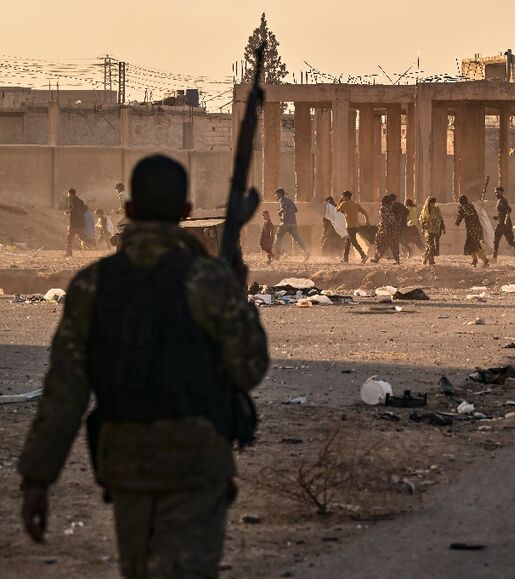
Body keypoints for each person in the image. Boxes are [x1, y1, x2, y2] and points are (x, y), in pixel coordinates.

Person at [18, 155, 269, 577]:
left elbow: (65, 392)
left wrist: (37, 480)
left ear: (129, 211)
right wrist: (237, 293)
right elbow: (249, 368)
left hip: (128, 464)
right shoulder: (208, 280)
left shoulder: (93, 284)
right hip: (195, 462)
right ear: (186, 213)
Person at [273, 188, 309, 262]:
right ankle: (305, 253)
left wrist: (279, 212)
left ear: (280, 194)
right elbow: (295, 210)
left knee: (278, 238)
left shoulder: (282, 200)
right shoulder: (290, 201)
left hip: (285, 223)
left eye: (276, 194)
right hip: (293, 223)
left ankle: (277, 256)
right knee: (298, 239)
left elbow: (284, 208)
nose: (276, 196)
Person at [456, 195, 490, 267]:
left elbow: (461, 216)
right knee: (471, 244)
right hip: (476, 228)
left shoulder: (464, 207)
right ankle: (474, 260)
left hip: (472, 229)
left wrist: (457, 222)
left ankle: (485, 260)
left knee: (476, 245)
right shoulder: (472, 206)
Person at [492, 187, 515, 263]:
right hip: (506, 224)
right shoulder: (500, 200)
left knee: (496, 241)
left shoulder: (502, 200)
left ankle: (494, 258)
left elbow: (509, 209)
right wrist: (498, 217)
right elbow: (504, 211)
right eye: (496, 192)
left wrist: (505, 218)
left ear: (502, 193)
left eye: (498, 192)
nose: (496, 194)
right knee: (510, 241)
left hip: (502, 224)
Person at [337, 190, 369, 263]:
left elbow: (337, 210)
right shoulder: (356, 204)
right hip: (356, 226)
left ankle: (363, 256)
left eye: (343, 196)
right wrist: (367, 221)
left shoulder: (344, 203)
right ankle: (345, 258)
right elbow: (365, 213)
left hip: (349, 226)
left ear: (347, 197)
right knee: (347, 243)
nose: (342, 198)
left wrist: (339, 202)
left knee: (354, 242)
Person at [372, 195, 401, 265]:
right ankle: (397, 260)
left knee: (380, 244)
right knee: (394, 245)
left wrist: (383, 228)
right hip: (393, 229)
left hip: (386, 229)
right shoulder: (394, 207)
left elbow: (385, 219)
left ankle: (377, 259)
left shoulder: (384, 208)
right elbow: (398, 218)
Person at [418, 196, 445, 265]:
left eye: (434, 203)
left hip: (436, 230)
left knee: (435, 245)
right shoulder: (425, 210)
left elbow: (440, 218)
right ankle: (431, 260)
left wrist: (443, 227)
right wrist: (424, 224)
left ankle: (425, 258)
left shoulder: (437, 209)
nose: (433, 204)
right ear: (429, 203)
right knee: (431, 245)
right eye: (432, 203)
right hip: (428, 230)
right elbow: (421, 219)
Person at [64, 188, 90, 257]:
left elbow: (74, 208)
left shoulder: (72, 200)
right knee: (82, 237)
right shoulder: (81, 201)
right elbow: (85, 208)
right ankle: (93, 243)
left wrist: (68, 211)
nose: (68, 195)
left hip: (74, 223)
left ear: (70, 193)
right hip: (81, 223)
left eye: (68, 193)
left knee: (69, 239)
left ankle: (68, 253)